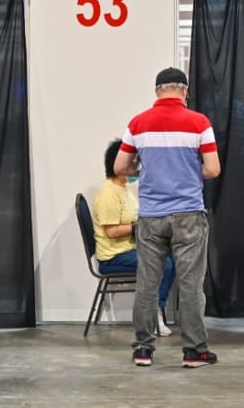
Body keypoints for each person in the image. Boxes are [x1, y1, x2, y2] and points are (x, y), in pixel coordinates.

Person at [114, 67, 221, 368]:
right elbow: (213, 169)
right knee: (190, 285)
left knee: (147, 284)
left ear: (157, 91)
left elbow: (120, 166)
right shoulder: (199, 122)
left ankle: (142, 350)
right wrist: (186, 173)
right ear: (184, 91)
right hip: (188, 214)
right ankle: (194, 351)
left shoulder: (138, 123)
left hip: (150, 215)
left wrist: (147, 171)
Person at [93, 139, 175, 336]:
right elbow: (111, 232)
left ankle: (155, 308)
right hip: (113, 257)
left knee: (172, 257)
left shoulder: (124, 189)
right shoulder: (108, 193)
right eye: (133, 162)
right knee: (165, 264)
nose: (136, 166)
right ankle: (155, 313)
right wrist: (138, 227)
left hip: (128, 248)